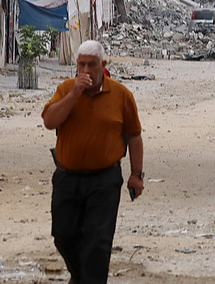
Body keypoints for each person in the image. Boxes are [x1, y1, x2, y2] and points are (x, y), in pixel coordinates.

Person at [42, 40, 144, 284]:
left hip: (104, 179)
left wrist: (136, 175)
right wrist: (74, 95)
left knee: (98, 240)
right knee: (64, 235)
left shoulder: (121, 95)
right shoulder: (66, 89)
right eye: (81, 65)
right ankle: (80, 278)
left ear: (103, 65)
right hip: (67, 177)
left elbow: (134, 136)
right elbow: (49, 121)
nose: (86, 71)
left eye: (92, 65)